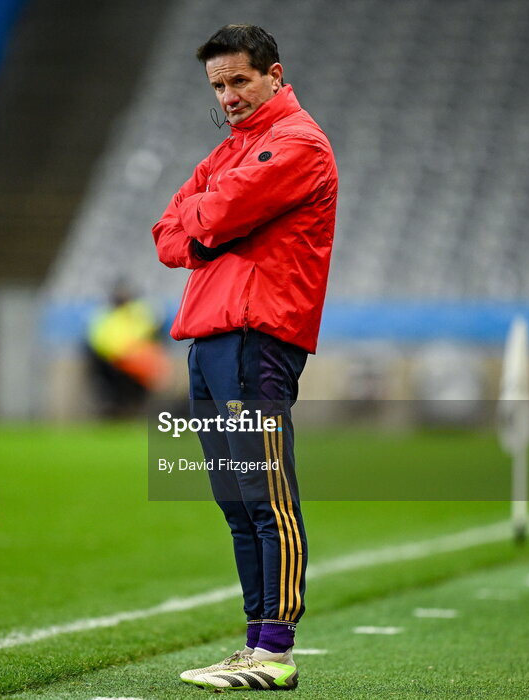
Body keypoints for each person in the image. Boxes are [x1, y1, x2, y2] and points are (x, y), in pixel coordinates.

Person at [152, 24, 337, 691]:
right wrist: (208, 227)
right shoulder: (237, 147)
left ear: (274, 75)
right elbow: (168, 231)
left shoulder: (297, 143)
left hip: (259, 338)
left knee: (266, 496)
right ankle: (254, 642)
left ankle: (277, 651)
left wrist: (206, 225)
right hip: (212, 342)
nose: (228, 95)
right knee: (235, 499)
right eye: (218, 85)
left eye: (238, 81)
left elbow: (212, 212)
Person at [85, 283, 171, 417]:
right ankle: (118, 407)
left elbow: (153, 331)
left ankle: (134, 407)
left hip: (137, 362)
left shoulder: (140, 313)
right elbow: (99, 342)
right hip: (114, 362)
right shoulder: (105, 317)